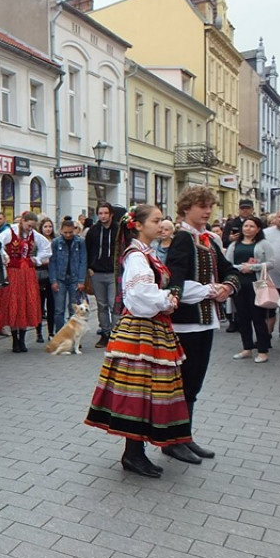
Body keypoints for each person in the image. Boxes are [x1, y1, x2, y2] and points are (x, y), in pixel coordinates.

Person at [86, 204, 189, 477]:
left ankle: (135, 452)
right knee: (140, 392)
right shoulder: (136, 257)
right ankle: (133, 453)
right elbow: (141, 297)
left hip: (150, 329)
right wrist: (167, 299)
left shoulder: (146, 254)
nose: (161, 223)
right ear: (139, 225)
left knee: (147, 391)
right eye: (156, 220)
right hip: (142, 330)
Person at [164, 186, 241, 464]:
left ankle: (185, 437)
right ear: (186, 209)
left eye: (209, 206)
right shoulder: (183, 238)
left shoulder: (207, 239)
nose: (208, 211)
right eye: (201, 206)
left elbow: (230, 270)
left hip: (205, 323)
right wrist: (212, 290)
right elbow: (177, 284)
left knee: (193, 385)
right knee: (184, 384)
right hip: (186, 324)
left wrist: (228, 287)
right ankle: (174, 441)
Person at [0, 211, 51, 352]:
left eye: (32, 226)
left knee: (26, 303)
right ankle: (15, 340)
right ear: (22, 222)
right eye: (28, 225)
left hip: (28, 273)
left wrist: (37, 259)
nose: (29, 228)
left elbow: (47, 248)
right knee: (14, 302)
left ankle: (22, 339)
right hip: (13, 272)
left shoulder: (34, 235)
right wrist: (4, 255)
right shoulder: (10, 232)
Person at [225, 217, 275, 363]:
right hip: (239, 286)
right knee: (242, 318)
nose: (248, 229)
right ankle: (246, 348)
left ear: (258, 229)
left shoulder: (263, 244)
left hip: (257, 285)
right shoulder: (234, 244)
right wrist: (241, 267)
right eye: (245, 226)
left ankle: (263, 350)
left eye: (251, 226)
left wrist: (253, 267)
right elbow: (228, 263)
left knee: (258, 318)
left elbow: (271, 263)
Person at [85, 202, 118, 347]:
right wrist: (89, 267)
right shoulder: (93, 230)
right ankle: (105, 333)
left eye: (106, 213)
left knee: (113, 304)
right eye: (100, 213)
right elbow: (87, 249)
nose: (103, 216)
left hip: (113, 273)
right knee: (101, 305)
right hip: (97, 272)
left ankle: (116, 334)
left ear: (111, 214)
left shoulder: (118, 229)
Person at [49, 219, 87, 332]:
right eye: (65, 232)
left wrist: (81, 280)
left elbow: (83, 261)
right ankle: (60, 334)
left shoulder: (80, 242)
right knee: (59, 309)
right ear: (61, 230)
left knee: (74, 309)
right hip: (60, 278)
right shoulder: (56, 242)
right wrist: (53, 280)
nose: (68, 235)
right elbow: (52, 262)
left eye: (70, 232)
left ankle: (73, 335)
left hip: (74, 278)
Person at [262, 208, 280, 339]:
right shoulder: (265, 233)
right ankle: (266, 336)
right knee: (268, 310)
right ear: (276, 218)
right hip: (269, 279)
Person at [36, 216, 56, 342]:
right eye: (45, 227)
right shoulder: (37, 241)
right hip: (40, 276)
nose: (48, 229)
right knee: (39, 305)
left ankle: (51, 332)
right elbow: (34, 258)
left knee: (52, 305)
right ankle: (38, 332)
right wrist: (43, 261)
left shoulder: (55, 241)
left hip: (53, 276)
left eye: (50, 226)